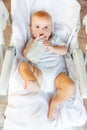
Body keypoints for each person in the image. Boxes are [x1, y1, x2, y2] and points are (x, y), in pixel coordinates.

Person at [18, 10, 75, 120]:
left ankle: (54, 103)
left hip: (58, 75)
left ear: (51, 29)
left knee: (70, 86)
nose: (42, 30)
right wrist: (34, 42)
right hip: (40, 75)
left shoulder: (55, 39)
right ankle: (33, 83)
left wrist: (52, 47)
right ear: (32, 30)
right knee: (23, 66)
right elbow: (25, 54)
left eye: (46, 27)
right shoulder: (32, 42)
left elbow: (64, 50)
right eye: (38, 27)